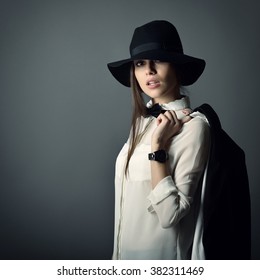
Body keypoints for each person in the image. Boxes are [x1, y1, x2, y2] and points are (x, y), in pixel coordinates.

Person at [107, 20, 210, 260]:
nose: (149, 70)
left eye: (159, 60)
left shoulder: (194, 128)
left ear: (176, 67)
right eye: (140, 63)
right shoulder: (141, 123)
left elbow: (169, 216)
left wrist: (158, 148)